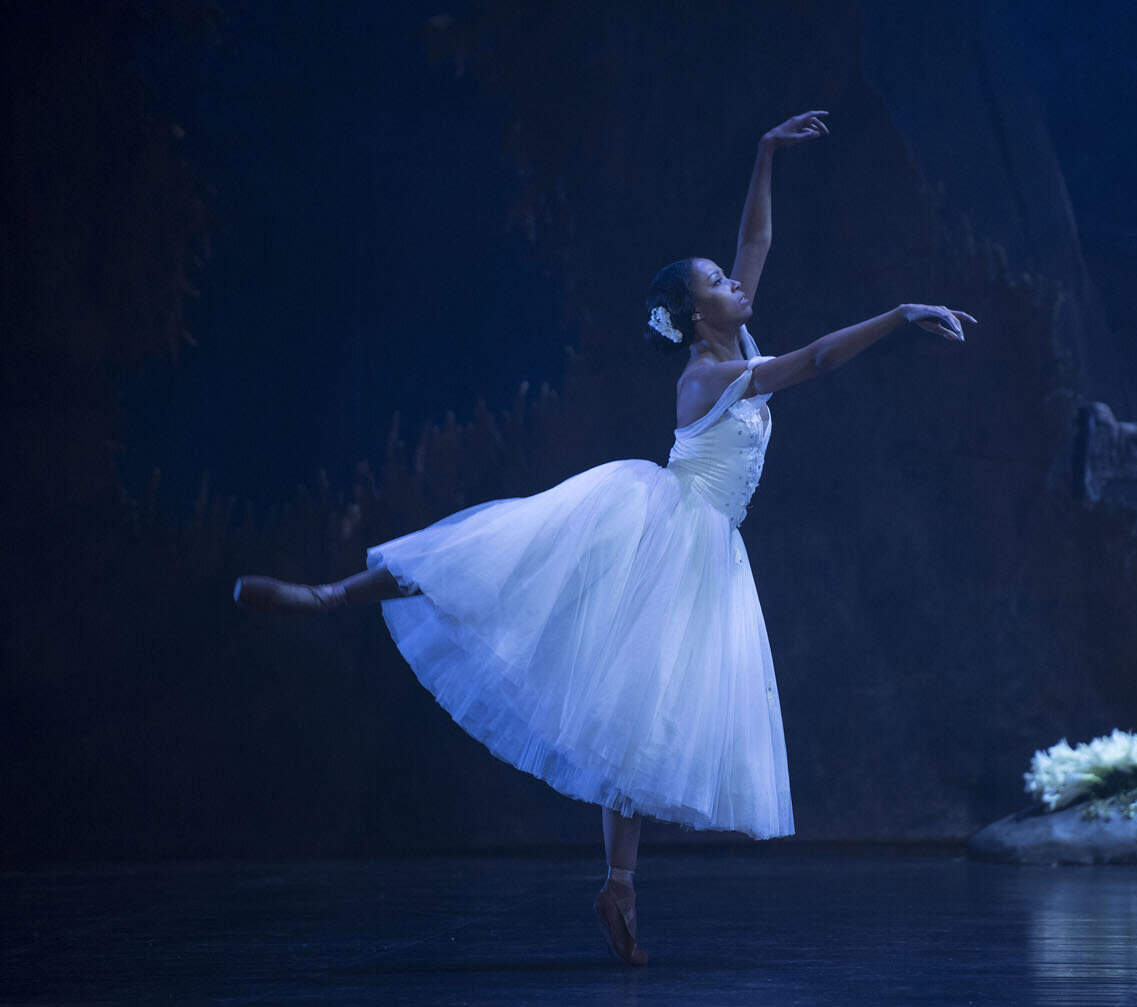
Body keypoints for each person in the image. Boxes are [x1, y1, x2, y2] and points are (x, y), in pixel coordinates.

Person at [232, 110, 976, 966]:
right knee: (499, 561)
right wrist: (900, 311)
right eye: (719, 284)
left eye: (727, 280)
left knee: (639, 718)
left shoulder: (731, 334)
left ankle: (619, 884)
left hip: (707, 550)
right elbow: (810, 363)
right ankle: (336, 593)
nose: (737, 285)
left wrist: (766, 153)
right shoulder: (711, 373)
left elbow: (756, 242)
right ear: (698, 317)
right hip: (660, 523)